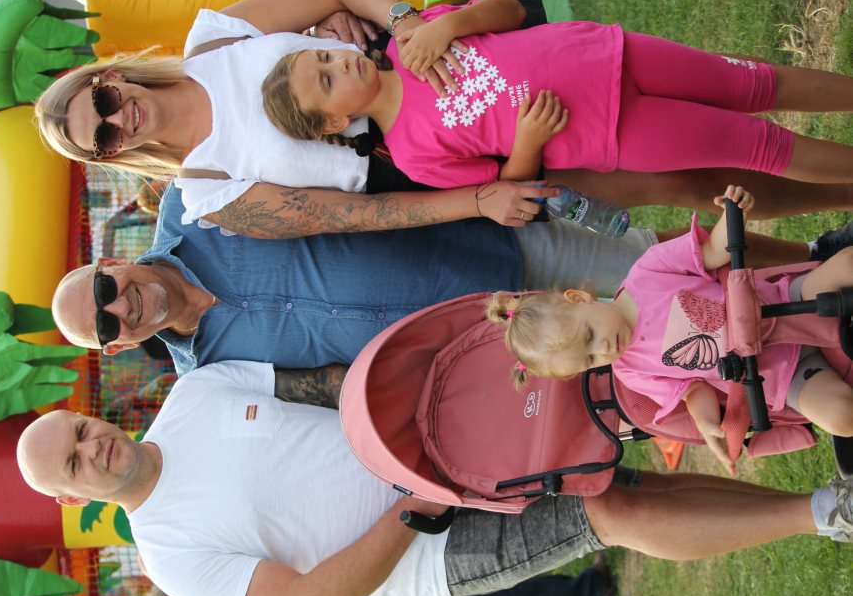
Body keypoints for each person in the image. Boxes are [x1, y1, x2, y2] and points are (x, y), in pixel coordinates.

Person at [34, 0, 852, 241]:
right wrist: (485, 197)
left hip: (436, 62)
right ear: (110, 155)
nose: (116, 119)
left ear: (111, 77)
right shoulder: (210, 191)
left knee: (743, 95)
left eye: (100, 101)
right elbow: (354, 216)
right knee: (691, 180)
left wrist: (408, 24)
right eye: (99, 138)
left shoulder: (213, 39)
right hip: (438, 162)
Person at [16, 359, 853, 596]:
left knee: (627, 485)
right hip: (428, 553)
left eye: (82, 431)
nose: (95, 449)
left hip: (446, 449)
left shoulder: (194, 393)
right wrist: (414, 513)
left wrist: (434, 407)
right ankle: (825, 514)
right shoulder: (167, 554)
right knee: (610, 516)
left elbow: (331, 387)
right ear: (71, 498)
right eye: (76, 463)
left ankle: (818, 504)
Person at [51, 181, 835, 376]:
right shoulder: (209, 373)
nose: (122, 306)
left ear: (107, 261)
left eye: (104, 290)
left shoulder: (195, 202)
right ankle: (815, 346)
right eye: (107, 324)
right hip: (491, 340)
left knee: (663, 264)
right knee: (664, 342)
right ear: (115, 347)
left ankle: (814, 262)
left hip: (482, 246)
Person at [263, 0, 853, 195]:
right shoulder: (414, 155)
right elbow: (508, 185)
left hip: (608, 53)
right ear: (334, 122)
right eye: (327, 81)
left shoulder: (409, 38)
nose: (339, 62)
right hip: (613, 130)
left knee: (755, 83)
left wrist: (450, 25)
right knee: (759, 146)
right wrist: (528, 140)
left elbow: (511, 12)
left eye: (324, 56)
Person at [487, 185, 853, 476]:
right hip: (780, 374)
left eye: (589, 337)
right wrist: (708, 424)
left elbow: (714, 252)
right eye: (590, 359)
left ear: (579, 298)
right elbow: (692, 390)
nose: (604, 349)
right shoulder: (632, 372)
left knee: (845, 264)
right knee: (839, 416)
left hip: (784, 300)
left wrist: (733, 213)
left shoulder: (647, 271)